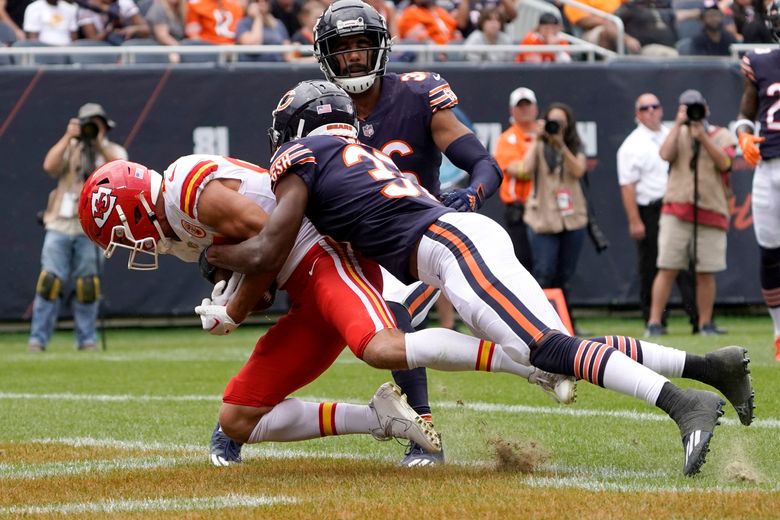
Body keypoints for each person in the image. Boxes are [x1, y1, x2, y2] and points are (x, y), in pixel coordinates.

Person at [203, 80, 754, 476]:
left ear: (295, 131)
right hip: (452, 242)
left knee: (546, 348)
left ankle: (683, 404)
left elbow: (271, 246)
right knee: (550, 348)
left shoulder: (304, 155)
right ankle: (710, 367)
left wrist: (216, 258)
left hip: (448, 249)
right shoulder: (353, 153)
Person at [312, 0, 577, 466]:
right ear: (325, 54)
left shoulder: (417, 95)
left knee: (395, 318)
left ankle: (423, 431)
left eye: (362, 45)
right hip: (352, 250)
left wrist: (471, 196)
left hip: (410, 243)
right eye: (343, 47)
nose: (353, 56)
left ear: (381, 49)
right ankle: (535, 364)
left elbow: (483, 163)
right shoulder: (314, 110)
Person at [28, 103, 127, 354]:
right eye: (89, 124)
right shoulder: (70, 148)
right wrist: (68, 136)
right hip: (60, 223)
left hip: (91, 227)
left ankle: (87, 340)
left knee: (87, 285)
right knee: (49, 280)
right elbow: (49, 166)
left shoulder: (111, 150)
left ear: (105, 127)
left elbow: (123, 172)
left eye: (98, 125)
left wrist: (100, 144)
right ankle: (38, 339)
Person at [647, 89, 736, 337]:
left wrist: (704, 138)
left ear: (706, 108)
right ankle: (654, 322)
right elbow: (665, 154)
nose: (693, 111)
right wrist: (678, 124)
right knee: (667, 267)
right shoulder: (677, 133)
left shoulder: (721, 134)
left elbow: (725, 164)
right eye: (686, 107)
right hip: (676, 208)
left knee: (706, 271)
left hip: (711, 209)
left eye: (696, 106)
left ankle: (705, 324)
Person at [617, 92, 698, 335]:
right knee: (652, 266)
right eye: (644, 108)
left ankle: (699, 319)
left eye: (655, 106)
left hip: (677, 203)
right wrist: (634, 220)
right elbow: (627, 185)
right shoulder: (631, 145)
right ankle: (654, 321)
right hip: (650, 208)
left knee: (687, 264)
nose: (650, 111)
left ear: (662, 109)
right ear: (637, 114)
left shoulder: (673, 132)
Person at [736, 1, 780, 361]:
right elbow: (746, 113)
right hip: (769, 169)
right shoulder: (761, 61)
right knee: (771, 254)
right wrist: (743, 135)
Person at [522, 102, 588, 314]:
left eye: (561, 122)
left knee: (565, 274)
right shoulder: (539, 144)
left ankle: (567, 322)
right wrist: (537, 138)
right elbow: (525, 168)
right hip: (543, 219)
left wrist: (561, 145)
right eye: (553, 121)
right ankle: (540, 322)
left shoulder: (575, 145)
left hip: (572, 218)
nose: (556, 126)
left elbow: (578, 171)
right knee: (544, 271)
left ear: (568, 124)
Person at [493, 86, 537, 272]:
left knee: (548, 263)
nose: (525, 109)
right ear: (512, 110)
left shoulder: (546, 134)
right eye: (520, 106)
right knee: (524, 262)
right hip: (520, 209)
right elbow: (518, 171)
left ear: (535, 107)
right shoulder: (507, 138)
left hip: (547, 207)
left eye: (528, 105)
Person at [77, 0, 150, 44]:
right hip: (102, 49)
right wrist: (109, 29)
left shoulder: (123, 3)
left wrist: (133, 29)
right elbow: (92, 42)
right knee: (112, 37)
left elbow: (146, 29)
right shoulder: (85, 10)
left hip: (125, 44)